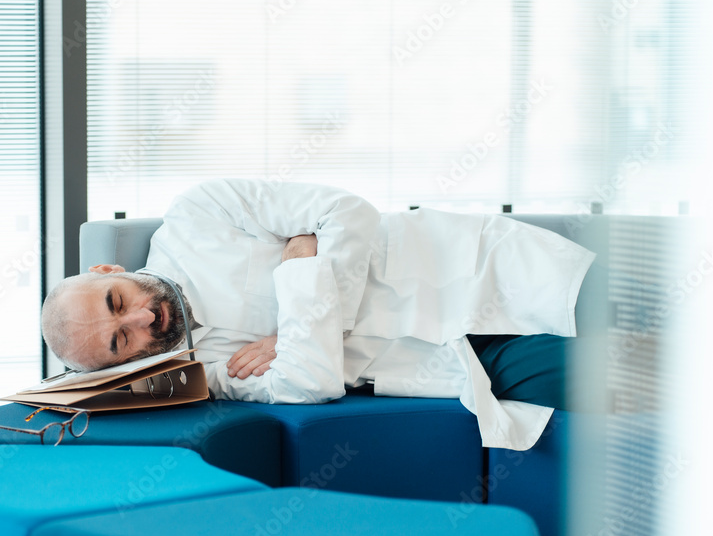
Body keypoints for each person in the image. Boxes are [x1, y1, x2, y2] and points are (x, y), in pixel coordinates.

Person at [42, 179, 596, 450]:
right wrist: (301, 270)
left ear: (110, 270)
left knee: (658, 318)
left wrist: (295, 334)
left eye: (118, 303)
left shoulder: (197, 214)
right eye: (120, 342)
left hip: (473, 268)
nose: (142, 320)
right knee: (618, 375)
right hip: (457, 363)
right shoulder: (198, 372)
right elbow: (312, 383)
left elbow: (345, 210)